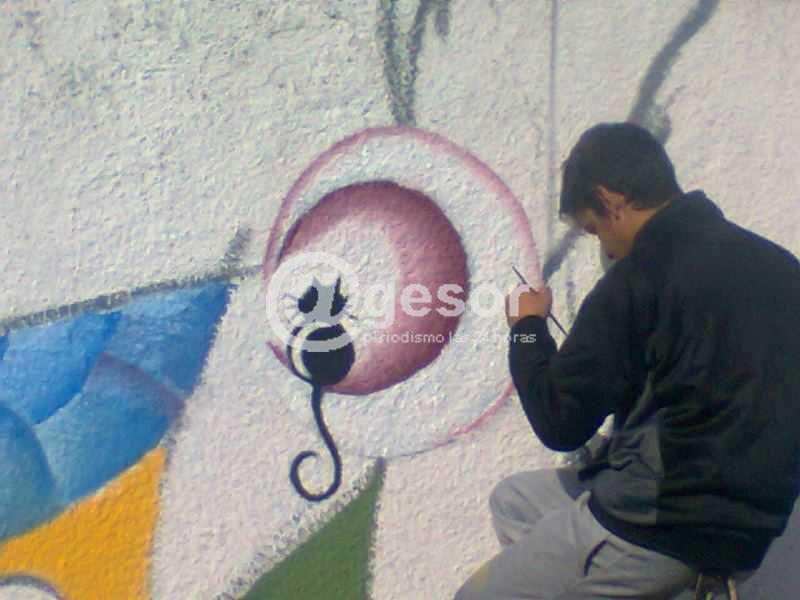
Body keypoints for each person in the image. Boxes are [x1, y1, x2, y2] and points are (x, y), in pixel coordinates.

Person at [454, 122, 800, 599]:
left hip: (659, 525)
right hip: (752, 529)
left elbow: (560, 421)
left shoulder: (639, 279)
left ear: (610, 199)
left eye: (595, 230)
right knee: (516, 501)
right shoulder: (782, 268)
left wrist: (527, 327)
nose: (607, 249)